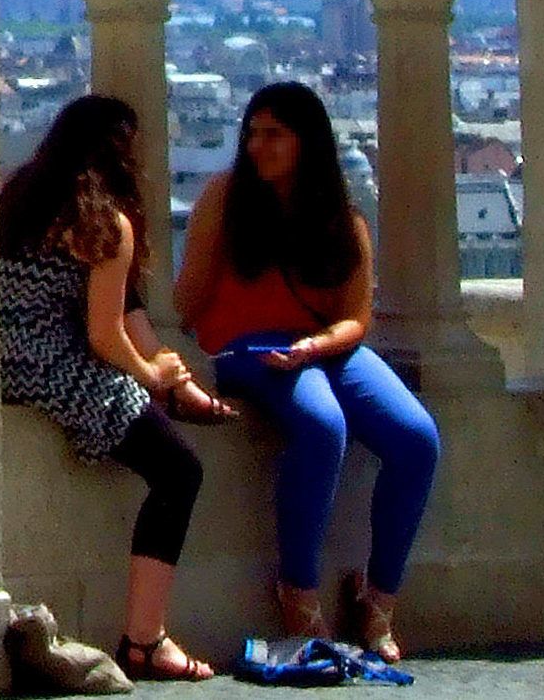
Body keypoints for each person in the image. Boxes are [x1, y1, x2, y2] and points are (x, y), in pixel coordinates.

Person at [175, 82, 441, 663]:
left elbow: (356, 318)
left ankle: (378, 600)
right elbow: (187, 302)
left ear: (307, 142)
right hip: (248, 348)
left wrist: (315, 345)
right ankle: (298, 590)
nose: (257, 146)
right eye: (252, 134)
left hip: (323, 346)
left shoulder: (341, 221)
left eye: (274, 135)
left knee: (416, 439)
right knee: (322, 426)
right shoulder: (224, 199)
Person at [0, 94, 233, 683]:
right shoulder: (106, 225)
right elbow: (105, 338)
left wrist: (162, 366)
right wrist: (153, 376)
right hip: (54, 367)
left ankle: (146, 640)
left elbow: (122, 313)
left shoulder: (20, 198)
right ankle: (146, 636)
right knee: (179, 469)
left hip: (1, 362)